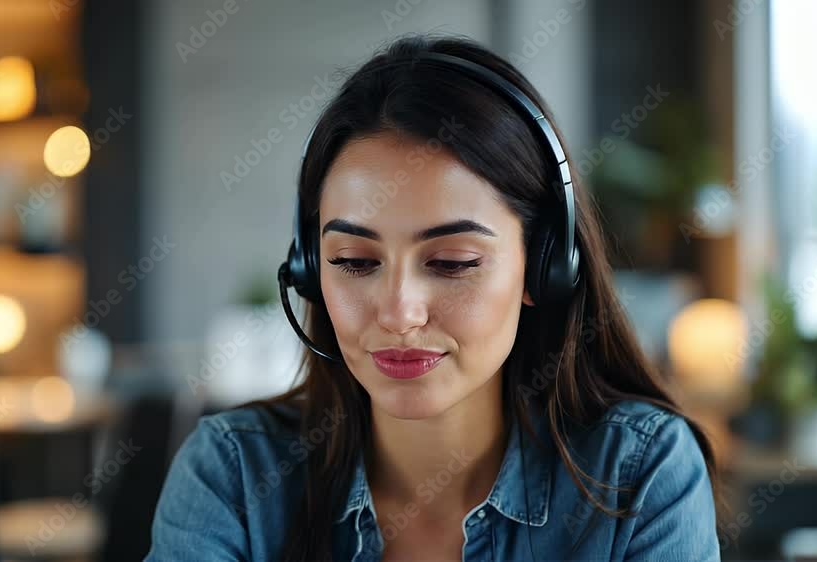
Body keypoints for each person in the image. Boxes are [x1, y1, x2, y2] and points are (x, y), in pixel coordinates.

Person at [145, 34, 722, 562]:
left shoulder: (640, 474)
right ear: (306, 269)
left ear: (544, 267)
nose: (399, 313)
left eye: (453, 264)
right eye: (354, 262)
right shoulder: (233, 476)